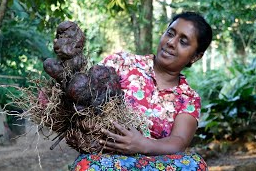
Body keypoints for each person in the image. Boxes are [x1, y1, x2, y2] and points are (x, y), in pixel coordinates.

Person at [71, 11, 213, 171]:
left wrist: (143, 144)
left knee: (196, 165)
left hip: (155, 165)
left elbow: (179, 141)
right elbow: (83, 91)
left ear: (195, 57)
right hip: (108, 161)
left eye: (183, 41)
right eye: (170, 33)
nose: (171, 42)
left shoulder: (189, 98)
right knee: (88, 165)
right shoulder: (122, 63)